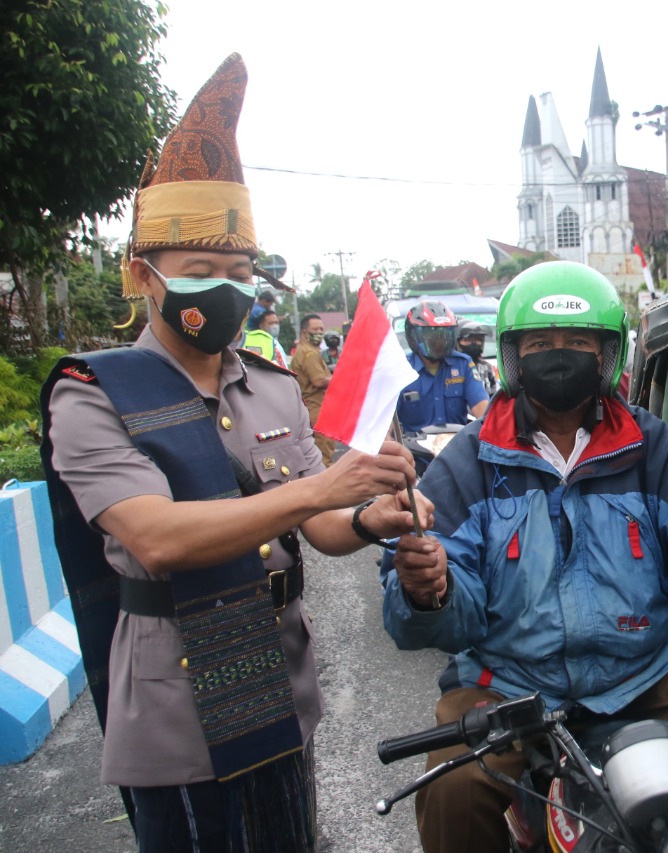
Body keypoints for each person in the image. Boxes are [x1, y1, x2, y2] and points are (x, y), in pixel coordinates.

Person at [39, 54, 430, 852]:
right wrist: (323, 494)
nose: (225, 286)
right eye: (201, 270)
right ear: (141, 275)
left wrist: (370, 514)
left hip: (281, 680)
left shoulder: (273, 386)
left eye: (240, 271)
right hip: (176, 702)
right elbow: (155, 537)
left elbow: (320, 528)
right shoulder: (91, 393)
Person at [381, 261, 668, 852]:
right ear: (512, 356)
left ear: (609, 354)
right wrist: (430, 591)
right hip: (508, 682)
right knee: (452, 786)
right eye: (541, 343)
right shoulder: (470, 462)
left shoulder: (650, 445)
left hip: (646, 671)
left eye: (579, 342)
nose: (560, 355)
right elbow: (442, 607)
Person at [396, 300, 489, 432]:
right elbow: (386, 423)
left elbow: (482, 408)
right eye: (432, 336)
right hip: (414, 450)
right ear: (413, 337)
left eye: (444, 335)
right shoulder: (401, 369)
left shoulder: (463, 364)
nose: (439, 341)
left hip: (457, 446)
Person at [291, 313, 336, 467]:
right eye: (315, 329)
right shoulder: (309, 353)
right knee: (324, 458)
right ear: (304, 332)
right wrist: (342, 378)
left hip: (314, 409)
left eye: (321, 329)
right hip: (317, 410)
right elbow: (318, 380)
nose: (320, 333)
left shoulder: (307, 350)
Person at [457, 319, 498, 396]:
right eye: (468, 340)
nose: (474, 343)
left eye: (478, 340)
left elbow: (493, 396)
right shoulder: (450, 369)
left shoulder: (486, 367)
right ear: (457, 342)